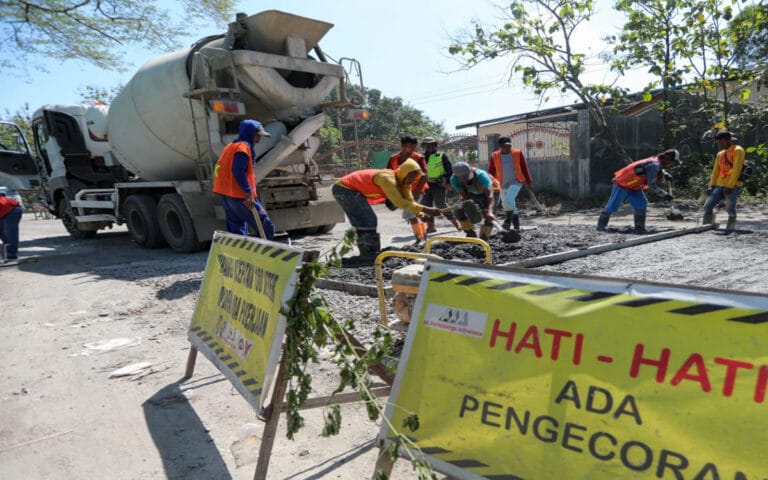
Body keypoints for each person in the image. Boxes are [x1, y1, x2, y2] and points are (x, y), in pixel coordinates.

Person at [332, 159, 442, 260]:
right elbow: (398, 202)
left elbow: (410, 201)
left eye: (415, 178)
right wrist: (427, 210)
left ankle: (370, 254)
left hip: (352, 191)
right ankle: (368, 255)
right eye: (412, 177)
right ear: (405, 173)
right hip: (344, 189)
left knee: (366, 221)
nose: (413, 181)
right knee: (367, 220)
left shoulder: (404, 182)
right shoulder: (387, 178)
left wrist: (420, 214)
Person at [212, 119, 275, 239]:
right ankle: (268, 249)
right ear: (249, 133)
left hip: (226, 194)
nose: (259, 139)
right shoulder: (243, 148)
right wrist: (248, 192)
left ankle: (240, 250)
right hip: (239, 195)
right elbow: (238, 171)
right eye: (257, 136)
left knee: (237, 230)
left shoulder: (230, 146)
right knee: (265, 225)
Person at [596, 149, 680, 233]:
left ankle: (639, 228)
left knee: (641, 203)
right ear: (666, 158)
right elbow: (652, 185)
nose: (671, 164)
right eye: (672, 162)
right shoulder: (655, 165)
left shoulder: (656, 161)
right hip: (623, 183)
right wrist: (665, 195)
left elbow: (652, 169)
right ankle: (601, 226)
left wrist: (665, 174)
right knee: (613, 205)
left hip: (634, 185)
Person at [387, 135, 429, 241]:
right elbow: (388, 174)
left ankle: (419, 238)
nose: (412, 149)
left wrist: (417, 191)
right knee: (413, 213)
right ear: (402, 146)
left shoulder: (419, 158)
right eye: (410, 146)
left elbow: (425, 176)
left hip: (417, 190)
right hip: (403, 190)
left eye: (414, 147)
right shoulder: (393, 158)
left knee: (409, 213)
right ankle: (422, 236)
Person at [703, 130, 745, 231]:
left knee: (730, 208)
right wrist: (712, 185)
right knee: (707, 206)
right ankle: (707, 227)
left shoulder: (738, 150)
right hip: (719, 185)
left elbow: (736, 169)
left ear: (728, 140)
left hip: (733, 186)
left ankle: (730, 228)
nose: (719, 144)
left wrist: (730, 186)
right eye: (718, 142)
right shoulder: (720, 154)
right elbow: (716, 171)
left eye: (721, 141)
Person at [487, 136, 533, 231]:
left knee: (508, 200)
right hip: (501, 183)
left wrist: (528, 181)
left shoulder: (518, 153)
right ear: (500, 146)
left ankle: (507, 222)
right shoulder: (494, 155)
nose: (507, 148)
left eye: (509, 146)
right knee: (507, 203)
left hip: (516, 181)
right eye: (505, 146)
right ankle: (516, 226)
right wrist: (489, 183)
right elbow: (491, 171)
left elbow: (524, 167)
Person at [419, 137, 461, 232]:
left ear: (435, 145)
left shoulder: (441, 156)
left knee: (441, 204)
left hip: (439, 185)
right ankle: (431, 226)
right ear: (424, 146)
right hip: (425, 185)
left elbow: (449, 170)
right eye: (427, 145)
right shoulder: (421, 158)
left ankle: (456, 223)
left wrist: (447, 182)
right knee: (426, 205)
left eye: (431, 145)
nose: (429, 147)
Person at [449, 162, 496, 240]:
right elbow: (466, 197)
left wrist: (489, 211)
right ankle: (471, 233)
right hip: (473, 193)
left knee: (489, 217)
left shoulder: (481, 175)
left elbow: (490, 196)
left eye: (466, 178)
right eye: (462, 179)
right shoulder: (454, 179)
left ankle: (484, 237)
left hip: (492, 191)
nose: (465, 181)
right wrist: (473, 208)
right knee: (458, 210)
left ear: (470, 171)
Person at [0, 193, 23, 260]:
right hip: (6, 210)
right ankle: (8, 248)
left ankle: (11, 254)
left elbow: (3, 203)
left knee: (10, 232)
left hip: (12, 210)